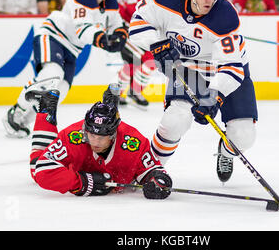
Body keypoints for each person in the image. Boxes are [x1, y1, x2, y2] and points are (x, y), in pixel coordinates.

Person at [127, 0, 258, 183]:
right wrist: (156, 43)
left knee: (243, 136)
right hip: (186, 68)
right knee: (174, 121)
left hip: (224, 73)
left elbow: (232, 67)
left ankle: (225, 153)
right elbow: (138, 23)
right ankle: (149, 171)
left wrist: (214, 95)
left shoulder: (225, 16)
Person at [2, 0, 127, 138]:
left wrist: (121, 35)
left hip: (73, 49)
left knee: (60, 90)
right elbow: (82, 30)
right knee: (52, 74)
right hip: (53, 35)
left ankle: (24, 120)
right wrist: (105, 41)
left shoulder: (111, 2)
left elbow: (116, 23)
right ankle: (16, 111)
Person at [27, 83, 172, 199]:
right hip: (79, 166)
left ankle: (109, 107)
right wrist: (81, 183)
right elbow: (42, 169)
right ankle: (46, 112)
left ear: (114, 134)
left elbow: (153, 170)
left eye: (102, 137)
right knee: (34, 169)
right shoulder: (74, 136)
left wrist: (159, 182)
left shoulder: (132, 142)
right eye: (91, 135)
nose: (95, 141)